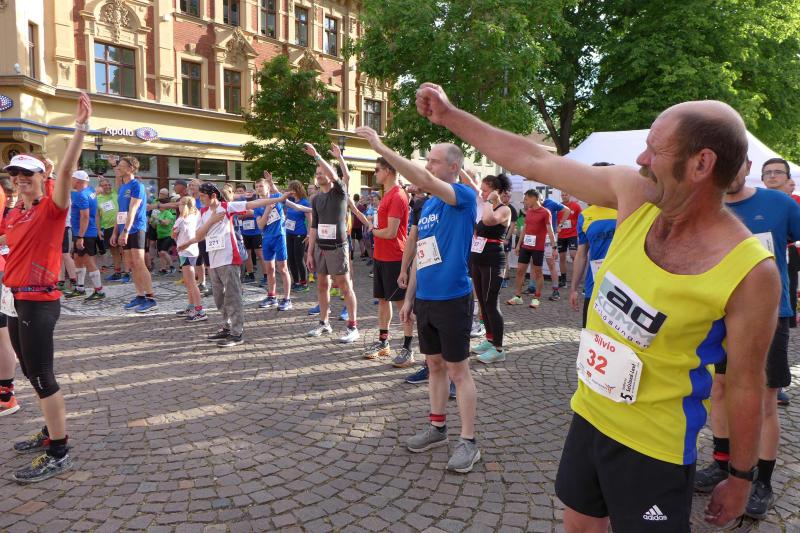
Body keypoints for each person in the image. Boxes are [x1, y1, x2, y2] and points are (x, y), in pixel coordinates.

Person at [416, 83, 781, 529]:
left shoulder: (750, 272)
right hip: (589, 416)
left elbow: (745, 384)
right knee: (579, 525)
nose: (642, 159)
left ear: (701, 163)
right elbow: (535, 160)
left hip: (656, 447)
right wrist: (450, 116)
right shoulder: (634, 194)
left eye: (656, 150)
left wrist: (740, 478)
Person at [357, 126, 480, 474]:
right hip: (425, 298)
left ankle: (469, 441)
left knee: (458, 371)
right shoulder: (427, 207)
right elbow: (421, 256)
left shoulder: (463, 196)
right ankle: (437, 427)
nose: (428, 166)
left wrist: (381, 146)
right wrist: (410, 297)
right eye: (427, 160)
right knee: (435, 366)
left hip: (453, 298)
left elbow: (421, 178)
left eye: (434, 161)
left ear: (453, 167)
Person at [691, 158, 800, 521]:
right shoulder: (707, 205)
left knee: (765, 400)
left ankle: (762, 481)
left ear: (747, 165)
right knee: (719, 390)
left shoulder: (779, 203)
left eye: (736, 164)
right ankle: (721, 463)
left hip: (768, 315)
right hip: (718, 314)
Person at [1, 93, 92, 482]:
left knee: (42, 375)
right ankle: (49, 430)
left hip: (39, 302)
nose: (20, 179)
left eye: (28, 174)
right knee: (28, 369)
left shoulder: (51, 209)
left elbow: (67, 171)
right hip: (15, 300)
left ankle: (59, 449)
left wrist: (80, 129)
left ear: (43, 178)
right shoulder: (14, 213)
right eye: (15, 174)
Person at [178, 183, 286, 346]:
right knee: (219, 298)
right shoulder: (204, 212)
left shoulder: (227, 207)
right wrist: (211, 221)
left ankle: (237, 333)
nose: (201, 199)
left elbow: (253, 204)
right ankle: (226, 327)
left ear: (213, 196)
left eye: (203, 196)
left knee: (233, 297)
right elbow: (199, 235)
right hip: (213, 261)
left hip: (229, 259)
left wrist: (278, 198)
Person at [304, 143, 359, 344]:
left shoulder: (339, 192)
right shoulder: (316, 199)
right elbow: (314, 227)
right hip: (321, 248)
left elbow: (339, 175)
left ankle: (353, 326)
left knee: (345, 286)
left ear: (329, 174)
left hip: (338, 247)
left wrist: (317, 156)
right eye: (317, 173)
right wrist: (310, 252)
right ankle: (324, 322)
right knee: (322, 285)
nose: (319, 175)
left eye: (322, 172)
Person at [363, 157, 415, 365]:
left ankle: (408, 349)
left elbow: (391, 232)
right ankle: (384, 342)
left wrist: (372, 230)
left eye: (377, 170)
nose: (375, 173)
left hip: (395, 257)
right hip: (381, 256)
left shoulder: (398, 195)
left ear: (388, 171)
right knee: (383, 300)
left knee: (403, 303)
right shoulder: (387, 195)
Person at [469, 174, 512, 363]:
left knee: (491, 303)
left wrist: (490, 200)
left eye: (486, 190)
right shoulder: (488, 207)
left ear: (496, 191)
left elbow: (488, 220)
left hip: (493, 261)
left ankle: (499, 348)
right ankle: (489, 339)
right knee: (482, 302)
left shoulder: (504, 210)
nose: (483, 193)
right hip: (478, 259)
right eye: (483, 190)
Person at [569, 165, 618, 328]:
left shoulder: (628, 208)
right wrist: (574, 288)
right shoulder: (585, 215)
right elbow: (581, 255)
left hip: (623, 286)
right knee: (589, 336)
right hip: (594, 285)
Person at [109, 155, 157, 313]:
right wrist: (115, 232)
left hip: (136, 228)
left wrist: (126, 231)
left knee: (139, 262)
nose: (118, 168)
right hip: (125, 229)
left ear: (131, 168)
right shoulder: (123, 187)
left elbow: (133, 209)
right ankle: (140, 295)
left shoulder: (137, 186)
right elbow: (121, 212)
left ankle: (151, 298)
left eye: (121, 165)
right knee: (131, 264)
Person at [507, 190, 558, 309]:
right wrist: (519, 245)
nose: (524, 202)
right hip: (526, 246)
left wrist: (554, 247)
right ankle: (518, 296)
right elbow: (525, 228)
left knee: (538, 272)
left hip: (538, 248)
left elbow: (550, 230)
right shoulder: (529, 211)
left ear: (534, 198)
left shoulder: (545, 212)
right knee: (520, 271)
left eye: (526, 199)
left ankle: (536, 298)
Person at [63, 170, 104, 301]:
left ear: (78, 181)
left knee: (88, 261)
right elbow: (98, 190)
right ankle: (80, 288)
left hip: (84, 233)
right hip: (82, 232)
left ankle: (99, 291)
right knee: (78, 259)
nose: (71, 182)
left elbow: (85, 216)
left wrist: (80, 237)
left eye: (72, 179)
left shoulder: (81, 195)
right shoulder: (90, 191)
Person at [255, 172, 292, 312]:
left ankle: (287, 299)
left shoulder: (276, 197)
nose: (259, 189)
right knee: (269, 269)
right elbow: (260, 225)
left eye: (261, 186)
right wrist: (267, 210)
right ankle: (272, 296)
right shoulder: (257, 205)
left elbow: (281, 195)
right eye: (257, 187)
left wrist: (271, 182)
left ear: (267, 188)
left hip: (279, 237)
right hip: (266, 239)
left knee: (283, 268)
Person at [173, 196, 206, 321]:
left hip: (185, 252)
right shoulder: (196, 216)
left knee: (191, 283)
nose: (178, 206)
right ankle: (192, 307)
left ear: (185, 206)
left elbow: (173, 234)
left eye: (180, 204)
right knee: (188, 282)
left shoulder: (182, 219)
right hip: (192, 251)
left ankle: (199, 310)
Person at [96, 177, 128, 282]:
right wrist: (98, 230)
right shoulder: (98, 198)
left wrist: (116, 168)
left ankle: (127, 273)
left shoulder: (115, 192)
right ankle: (117, 272)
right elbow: (97, 216)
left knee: (123, 250)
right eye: (105, 185)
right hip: (108, 227)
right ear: (100, 187)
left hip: (120, 224)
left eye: (109, 185)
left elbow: (118, 179)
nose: (108, 187)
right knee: (114, 251)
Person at [285, 180, 311, 291]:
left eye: (291, 189)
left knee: (299, 258)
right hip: (289, 232)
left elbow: (310, 220)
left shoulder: (304, 202)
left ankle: (304, 283)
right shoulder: (290, 201)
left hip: (300, 233)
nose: (290, 191)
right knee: (291, 258)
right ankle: (296, 281)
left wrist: (309, 235)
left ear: (297, 190)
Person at [557, 192, 582, 288]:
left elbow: (581, 218)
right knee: (562, 257)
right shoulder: (558, 206)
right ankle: (563, 280)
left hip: (572, 234)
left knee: (573, 255)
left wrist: (579, 230)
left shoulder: (576, 206)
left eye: (566, 195)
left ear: (569, 195)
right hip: (561, 235)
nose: (564, 196)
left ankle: (576, 279)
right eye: (562, 195)